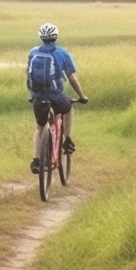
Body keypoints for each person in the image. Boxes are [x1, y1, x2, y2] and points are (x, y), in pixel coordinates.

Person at [28, 22, 88, 175]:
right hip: (56, 96)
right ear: (56, 36)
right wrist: (82, 96)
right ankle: (67, 140)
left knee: (40, 127)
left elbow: (30, 74)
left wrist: (33, 94)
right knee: (68, 108)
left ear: (41, 37)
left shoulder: (33, 52)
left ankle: (37, 160)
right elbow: (72, 79)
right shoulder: (62, 53)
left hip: (38, 96)